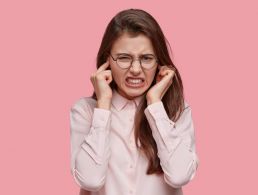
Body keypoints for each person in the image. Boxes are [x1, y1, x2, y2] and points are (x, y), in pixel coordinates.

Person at [70, 8, 199, 195]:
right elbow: (90, 180)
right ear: (108, 61)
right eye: (124, 58)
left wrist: (155, 105)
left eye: (146, 58)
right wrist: (103, 104)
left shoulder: (177, 110)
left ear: (159, 62)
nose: (136, 69)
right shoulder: (85, 111)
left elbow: (180, 176)